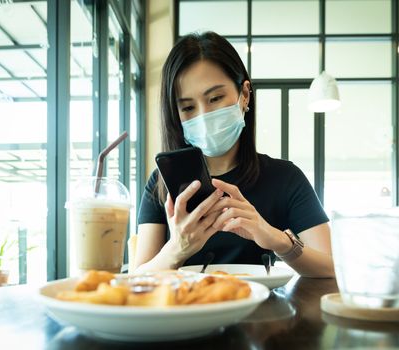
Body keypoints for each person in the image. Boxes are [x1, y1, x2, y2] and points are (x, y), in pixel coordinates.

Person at [133, 31, 334, 278]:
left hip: (261, 314)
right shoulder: (161, 184)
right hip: (185, 313)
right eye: (187, 107)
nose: (203, 116)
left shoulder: (285, 178)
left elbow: (331, 268)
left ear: (245, 95)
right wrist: (177, 248)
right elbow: (136, 278)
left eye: (215, 98)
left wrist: (275, 238)